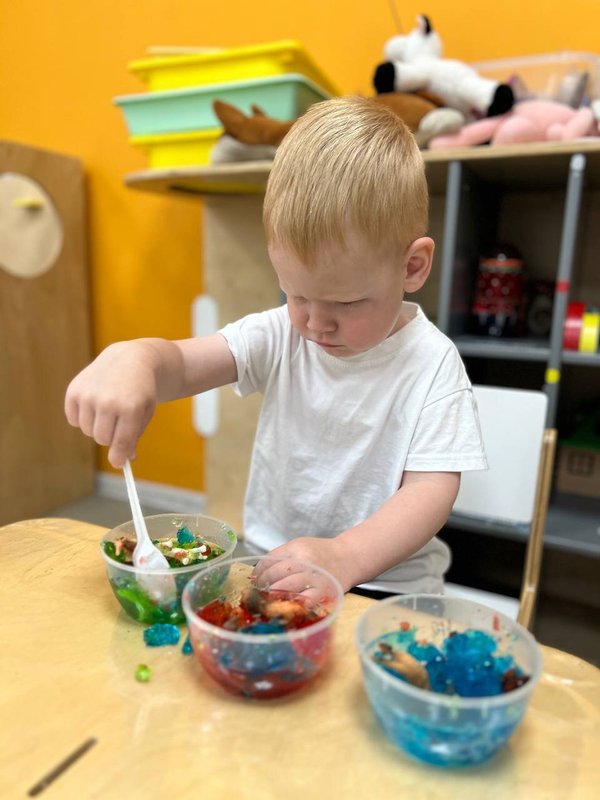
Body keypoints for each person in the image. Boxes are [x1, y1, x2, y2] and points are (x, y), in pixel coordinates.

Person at [65, 96, 486, 597]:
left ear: (412, 267)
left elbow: (431, 490)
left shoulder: (432, 363)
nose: (315, 323)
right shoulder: (281, 333)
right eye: (295, 294)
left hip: (387, 586)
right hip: (274, 561)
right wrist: (136, 358)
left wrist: (345, 557)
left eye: (346, 303)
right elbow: (181, 365)